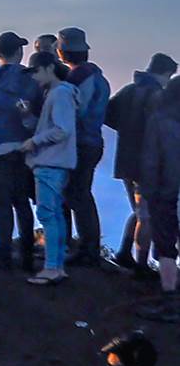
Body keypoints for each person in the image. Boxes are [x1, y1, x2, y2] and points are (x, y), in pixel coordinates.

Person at [0, 32, 41, 271]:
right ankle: (26, 256)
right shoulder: (30, 80)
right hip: (23, 148)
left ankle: (3, 255)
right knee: (22, 202)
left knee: (1, 204)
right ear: (18, 52)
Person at [107, 54, 176, 277]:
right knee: (146, 214)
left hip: (126, 159)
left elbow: (108, 115)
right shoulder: (159, 96)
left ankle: (125, 253)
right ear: (166, 73)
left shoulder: (128, 90)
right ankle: (141, 265)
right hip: (148, 162)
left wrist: (127, 132)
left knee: (139, 211)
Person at [22, 51, 79, 287]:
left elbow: (62, 129)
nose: (34, 77)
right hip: (56, 163)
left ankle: (52, 267)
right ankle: (56, 265)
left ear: (48, 68)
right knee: (54, 214)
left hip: (50, 163)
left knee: (48, 215)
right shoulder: (59, 93)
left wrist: (34, 142)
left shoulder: (60, 94)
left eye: (35, 71)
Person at [56, 28, 111, 267]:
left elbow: (73, 113)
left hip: (79, 143)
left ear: (63, 51)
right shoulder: (99, 77)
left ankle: (87, 249)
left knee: (77, 194)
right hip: (94, 141)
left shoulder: (76, 79)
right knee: (82, 194)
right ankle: (90, 247)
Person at [136, 74, 180, 322]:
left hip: (166, 192)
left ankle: (169, 301)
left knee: (166, 248)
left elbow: (151, 161)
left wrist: (148, 192)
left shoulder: (160, 121)